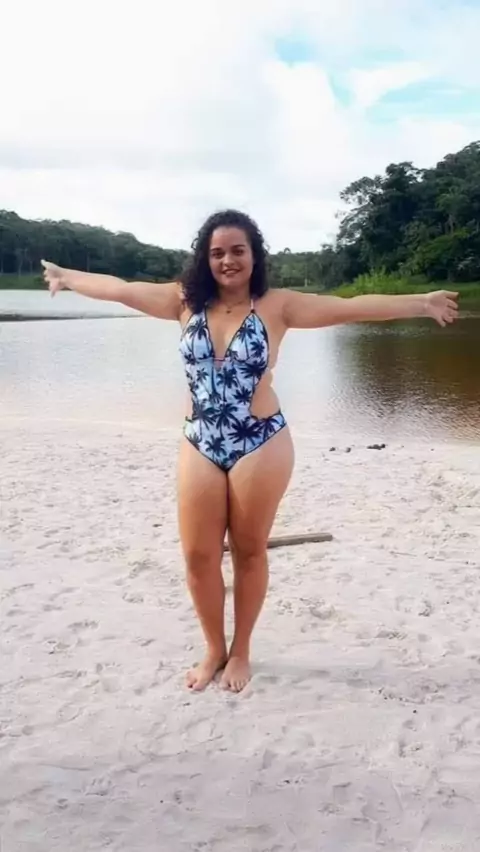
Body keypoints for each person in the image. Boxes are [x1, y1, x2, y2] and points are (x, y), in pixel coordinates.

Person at [41, 209, 459, 693]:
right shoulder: (182, 301)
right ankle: (213, 649)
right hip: (201, 439)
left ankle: (241, 650)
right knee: (198, 555)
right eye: (217, 252)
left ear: (254, 255)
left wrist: (421, 302)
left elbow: (350, 306)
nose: (228, 261)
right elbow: (119, 288)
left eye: (238, 250)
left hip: (260, 439)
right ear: (205, 258)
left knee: (248, 549)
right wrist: (67, 277)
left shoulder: (278, 305)